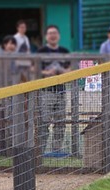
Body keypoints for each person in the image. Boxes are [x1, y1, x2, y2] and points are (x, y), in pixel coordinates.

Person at [37, 25, 70, 154]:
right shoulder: (41, 51)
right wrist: (47, 73)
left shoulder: (65, 51)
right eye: (50, 33)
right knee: (44, 121)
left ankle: (57, 149)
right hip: (46, 92)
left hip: (61, 91)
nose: (52, 35)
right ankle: (41, 150)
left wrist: (63, 72)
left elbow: (71, 68)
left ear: (59, 35)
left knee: (60, 122)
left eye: (55, 33)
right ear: (46, 36)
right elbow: (35, 69)